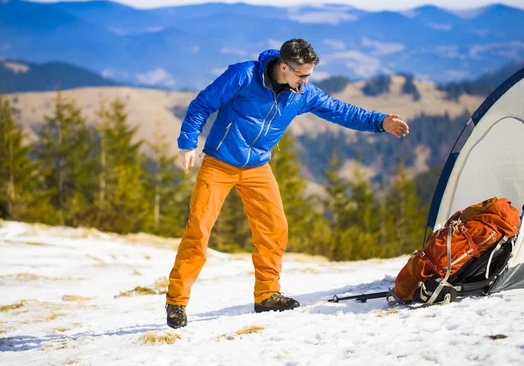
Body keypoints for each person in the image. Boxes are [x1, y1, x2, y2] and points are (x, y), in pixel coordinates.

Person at [165, 38, 409, 328]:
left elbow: (341, 110)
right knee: (199, 231)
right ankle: (176, 302)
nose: (306, 81)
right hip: (219, 163)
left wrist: (380, 122)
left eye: (309, 74)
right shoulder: (244, 75)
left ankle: (267, 295)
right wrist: (187, 143)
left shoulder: (302, 93)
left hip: (257, 166)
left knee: (274, 228)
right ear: (284, 67)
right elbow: (202, 104)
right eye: (302, 74)